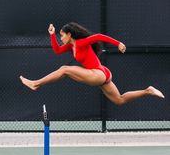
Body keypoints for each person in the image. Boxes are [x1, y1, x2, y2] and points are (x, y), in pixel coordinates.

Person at [20, 22, 164, 105]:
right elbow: (57, 50)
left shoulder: (81, 43)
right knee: (119, 100)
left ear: (70, 34)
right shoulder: (71, 46)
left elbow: (99, 36)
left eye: (62, 35)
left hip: (98, 73)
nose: (61, 37)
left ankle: (36, 83)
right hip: (103, 74)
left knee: (64, 69)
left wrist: (118, 43)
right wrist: (52, 35)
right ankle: (148, 91)